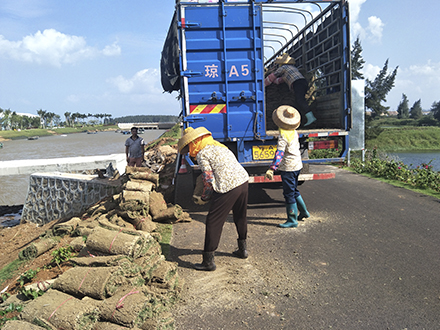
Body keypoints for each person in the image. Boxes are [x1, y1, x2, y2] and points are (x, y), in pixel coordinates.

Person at [178, 126, 250, 271]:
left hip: (228, 186)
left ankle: (208, 261)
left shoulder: (202, 153)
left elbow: (208, 179)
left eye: (189, 146)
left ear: (194, 142)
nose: (189, 150)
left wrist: (204, 198)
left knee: (213, 221)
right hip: (243, 181)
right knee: (240, 216)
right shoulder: (220, 147)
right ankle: (243, 250)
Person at [265, 105, 311, 228]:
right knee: (294, 189)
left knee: (288, 193)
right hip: (297, 165)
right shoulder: (294, 132)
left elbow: (279, 154)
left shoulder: (283, 136)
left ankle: (292, 220)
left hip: (288, 168)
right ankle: (304, 212)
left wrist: (272, 168)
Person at [264, 53, 317, 127]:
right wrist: (275, 82)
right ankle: (302, 119)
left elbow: (273, 76)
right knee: (299, 100)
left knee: (300, 100)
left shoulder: (283, 67)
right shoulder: (292, 68)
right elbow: (281, 80)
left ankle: (311, 117)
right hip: (303, 82)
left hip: (297, 83)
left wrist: (263, 85)